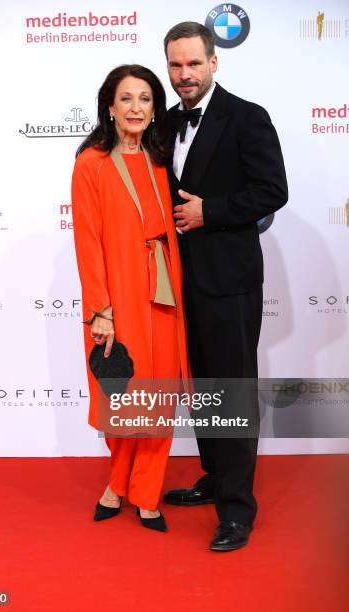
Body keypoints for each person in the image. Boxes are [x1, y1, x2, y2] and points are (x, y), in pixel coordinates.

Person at [162, 22, 288, 550]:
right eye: (176, 65)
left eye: (194, 63)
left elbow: (272, 190)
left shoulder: (246, 117)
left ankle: (237, 510)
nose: (185, 74)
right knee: (205, 387)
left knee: (232, 388)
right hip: (178, 282)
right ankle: (216, 479)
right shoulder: (165, 122)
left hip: (230, 280)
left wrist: (208, 212)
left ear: (215, 62)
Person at [71, 64, 190, 532]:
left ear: (154, 107)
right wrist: (101, 309)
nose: (136, 108)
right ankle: (116, 482)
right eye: (127, 98)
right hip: (118, 296)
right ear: (110, 106)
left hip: (165, 294)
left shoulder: (161, 159)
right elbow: (87, 241)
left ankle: (145, 492)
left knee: (158, 395)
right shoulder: (91, 164)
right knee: (123, 392)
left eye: (145, 98)